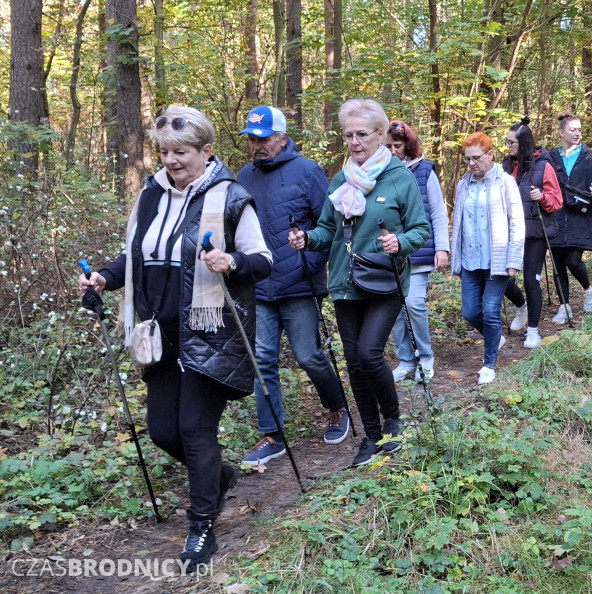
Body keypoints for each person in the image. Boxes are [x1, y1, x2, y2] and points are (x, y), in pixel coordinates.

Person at [77, 105, 273, 571]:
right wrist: (104, 278)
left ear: (206, 151)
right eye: (164, 152)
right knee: (164, 431)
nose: (171, 160)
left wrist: (232, 263)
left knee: (194, 429)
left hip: (210, 331)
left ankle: (201, 527)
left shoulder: (231, 198)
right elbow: (135, 257)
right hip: (158, 333)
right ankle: (218, 477)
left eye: (181, 152)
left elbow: (262, 259)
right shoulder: (150, 196)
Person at [288, 99, 430, 467]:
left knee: (369, 353)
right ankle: (371, 436)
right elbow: (326, 231)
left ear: (380, 135)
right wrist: (307, 239)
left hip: (385, 280)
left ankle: (393, 422)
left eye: (362, 135)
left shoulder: (399, 177)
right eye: (348, 135)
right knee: (353, 362)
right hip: (345, 282)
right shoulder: (341, 179)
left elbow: (421, 229)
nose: (354, 142)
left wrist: (400, 242)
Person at [235, 105, 350, 468]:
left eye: (264, 138)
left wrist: (312, 265)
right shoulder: (243, 177)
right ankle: (272, 434)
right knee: (262, 360)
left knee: (308, 355)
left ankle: (337, 408)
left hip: (300, 284)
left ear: (283, 137)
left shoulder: (308, 171)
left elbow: (328, 226)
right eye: (252, 139)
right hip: (260, 286)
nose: (258, 145)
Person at [450, 132, 524, 385]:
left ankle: (489, 364)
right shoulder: (463, 184)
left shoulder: (505, 182)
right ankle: (496, 337)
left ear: (491, 155)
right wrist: (455, 256)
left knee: (491, 311)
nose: (471, 164)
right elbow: (458, 223)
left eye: (476, 158)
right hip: (471, 258)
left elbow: (517, 222)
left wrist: (514, 259)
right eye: (467, 159)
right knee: (471, 312)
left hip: (498, 258)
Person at [384, 120, 450, 383]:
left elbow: (437, 212)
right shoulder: (381, 173)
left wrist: (442, 247)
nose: (392, 151)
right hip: (390, 255)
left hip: (420, 253)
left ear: (407, 145)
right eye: (387, 146)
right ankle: (405, 360)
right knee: (394, 309)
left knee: (413, 304)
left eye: (397, 146)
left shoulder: (425, 171)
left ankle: (425, 357)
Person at [500, 118, 562, 347]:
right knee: (503, 278)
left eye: (511, 142)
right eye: (506, 142)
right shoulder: (505, 166)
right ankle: (521, 308)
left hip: (536, 231)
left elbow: (557, 202)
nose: (508, 147)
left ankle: (534, 330)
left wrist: (542, 197)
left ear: (523, 142)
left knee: (530, 280)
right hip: (509, 233)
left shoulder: (544, 166)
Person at [547, 111, 592, 315]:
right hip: (556, 214)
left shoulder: (589, 154)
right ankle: (564, 306)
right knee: (557, 262)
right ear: (561, 132)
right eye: (573, 130)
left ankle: (588, 290)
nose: (578, 133)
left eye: (579, 130)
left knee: (573, 259)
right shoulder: (551, 156)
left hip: (580, 213)